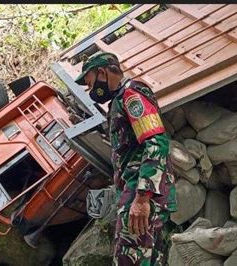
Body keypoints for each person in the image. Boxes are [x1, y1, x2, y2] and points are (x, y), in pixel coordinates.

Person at [75, 52, 177, 265]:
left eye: (90, 82)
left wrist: (142, 197)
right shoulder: (120, 99)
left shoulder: (131, 95)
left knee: (129, 260)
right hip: (138, 191)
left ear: (102, 72)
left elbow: (157, 142)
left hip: (141, 193)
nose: (90, 89)